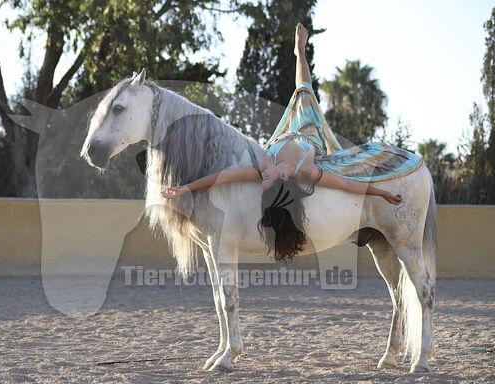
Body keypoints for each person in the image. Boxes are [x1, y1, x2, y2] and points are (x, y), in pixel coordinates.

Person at [161, 23, 421, 261]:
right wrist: (382, 193)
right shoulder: (305, 173)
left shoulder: (265, 166)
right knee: (304, 91)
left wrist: (185, 189)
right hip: (309, 133)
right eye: (267, 185)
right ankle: (300, 52)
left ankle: (299, 53)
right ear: (278, 182)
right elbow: (348, 184)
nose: (262, 181)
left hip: (281, 133)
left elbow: (220, 178)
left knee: (300, 93)